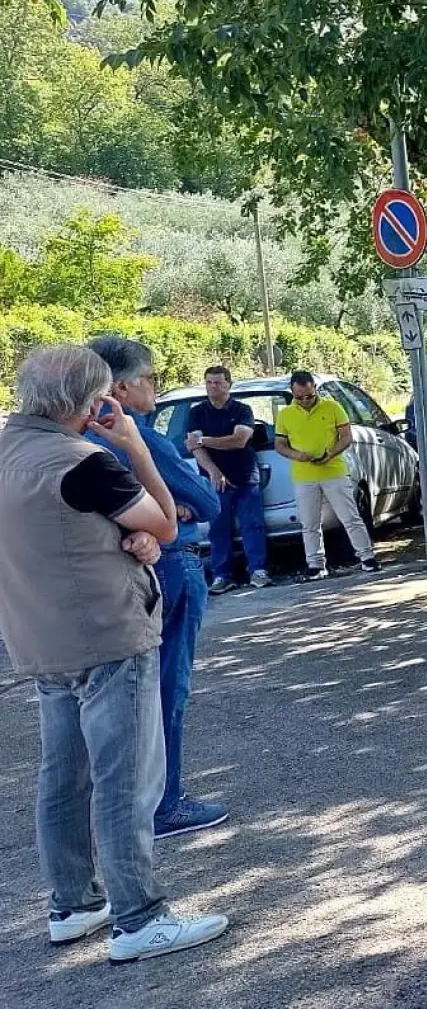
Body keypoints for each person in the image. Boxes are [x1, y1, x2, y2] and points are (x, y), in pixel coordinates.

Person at [0, 345, 229, 963]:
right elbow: (165, 523)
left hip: (37, 639)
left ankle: (72, 903)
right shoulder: (82, 461)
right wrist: (131, 443)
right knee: (125, 777)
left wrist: (118, 538)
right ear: (93, 400)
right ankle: (139, 916)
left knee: (62, 777)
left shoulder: (7, 453)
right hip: (106, 633)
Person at [85, 337, 231, 841]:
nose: (156, 386)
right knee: (169, 686)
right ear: (122, 387)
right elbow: (205, 505)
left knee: (125, 692)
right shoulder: (143, 439)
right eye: (150, 377)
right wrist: (175, 510)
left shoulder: (82, 439)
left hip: (125, 574)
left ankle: (133, 802)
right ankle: (166, 802)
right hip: (173, 565)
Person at [276, 370, 378, 580]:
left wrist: (330, 453)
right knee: (310, 522)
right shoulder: (285, 414)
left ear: (315, 389)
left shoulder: (332, 407)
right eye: (299, 397)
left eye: (309, 396)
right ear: (292, 393)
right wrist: (297, 455)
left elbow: (346, 437)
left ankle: (367, 557)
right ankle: (315, 564)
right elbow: (280, 445)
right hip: (304, 475)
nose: (305, 401)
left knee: (350, 516)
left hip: (334, 470)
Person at [186, 365, 271, 592]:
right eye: (209, 383)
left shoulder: (242, 410)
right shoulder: (197, 412)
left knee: (252, 526)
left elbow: (239, 440)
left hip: (245, 475)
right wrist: (213, 471)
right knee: (218, 529)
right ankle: (222, 576)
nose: (212, 387)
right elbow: (194, 447)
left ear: (228, 385)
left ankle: (258, 571)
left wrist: (204, 440)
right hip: (214, 479)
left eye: (217, 383)